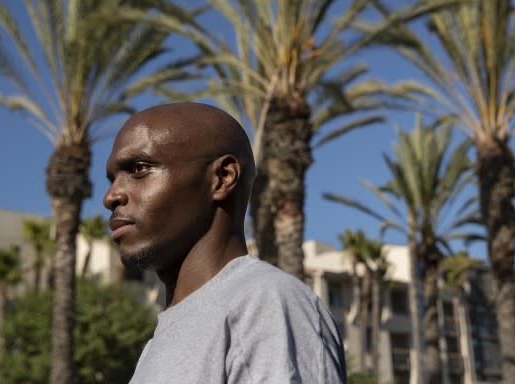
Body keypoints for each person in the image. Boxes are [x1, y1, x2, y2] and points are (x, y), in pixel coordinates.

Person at [103, 102, 347, 383]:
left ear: (222, 178)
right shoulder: (161, 342)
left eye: (139, 168)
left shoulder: (265, 303)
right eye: (112, 179)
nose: (111, 196)